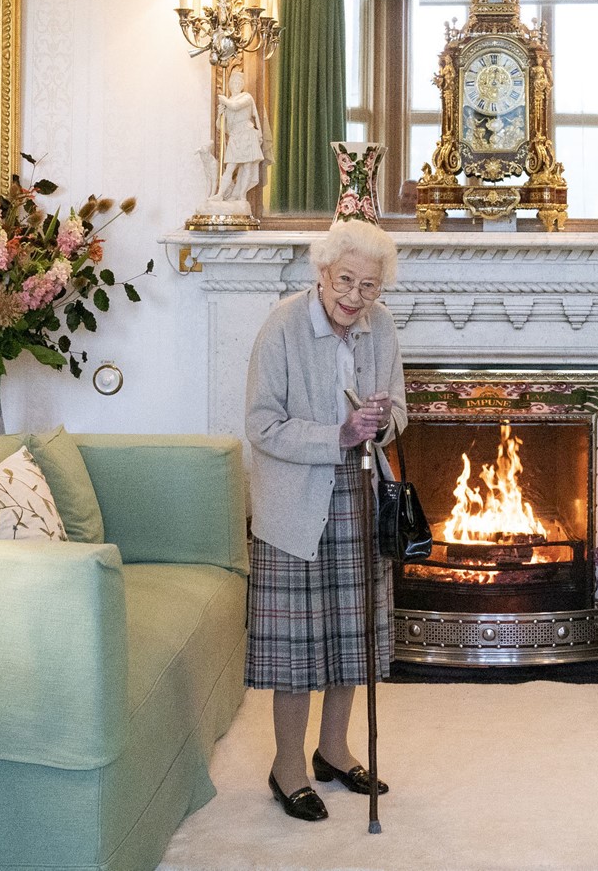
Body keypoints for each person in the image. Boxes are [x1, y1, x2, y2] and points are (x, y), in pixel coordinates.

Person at [244, 219, 405, 822]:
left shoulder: (380, 326)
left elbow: (399, 409)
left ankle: (333, 752)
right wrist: (337, 434)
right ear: (322, 272)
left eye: (368, 286)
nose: (354, 298)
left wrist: (381, 421)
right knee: (297, 648)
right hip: (294, 502)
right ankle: (287, 767)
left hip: (360, 494)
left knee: (349, 636)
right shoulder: (283, 325)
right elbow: (260, 425)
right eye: (345, 281)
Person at [215, 70, 270, 203]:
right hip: (235, 136)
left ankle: (242, 196)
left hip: (247, 134)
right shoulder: (227, 102)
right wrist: (219, 114)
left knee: (247, 167)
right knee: (230, 167)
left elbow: (235, 106)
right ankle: (219, 194)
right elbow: (220, 126)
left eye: (239, 82)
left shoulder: (246, 97)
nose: (236, 84)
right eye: (234, 81)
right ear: (229, 84)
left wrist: (225, 101)